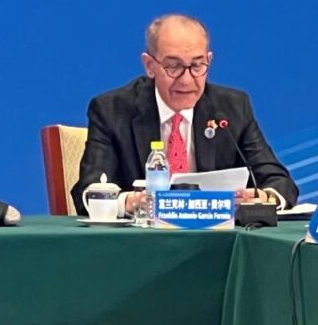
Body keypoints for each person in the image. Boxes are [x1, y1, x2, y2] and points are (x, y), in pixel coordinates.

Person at [71, 13, 298, 216]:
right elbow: (89, 191)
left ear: (209, 61)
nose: (187, 80)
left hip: (214, 240)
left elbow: (279, 182)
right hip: (140, 242)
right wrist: (131, 202)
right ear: (149, 65)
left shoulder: (232, 108)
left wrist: (263, 198)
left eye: (197, 66)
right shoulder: (112, 110)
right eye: (174, 67)